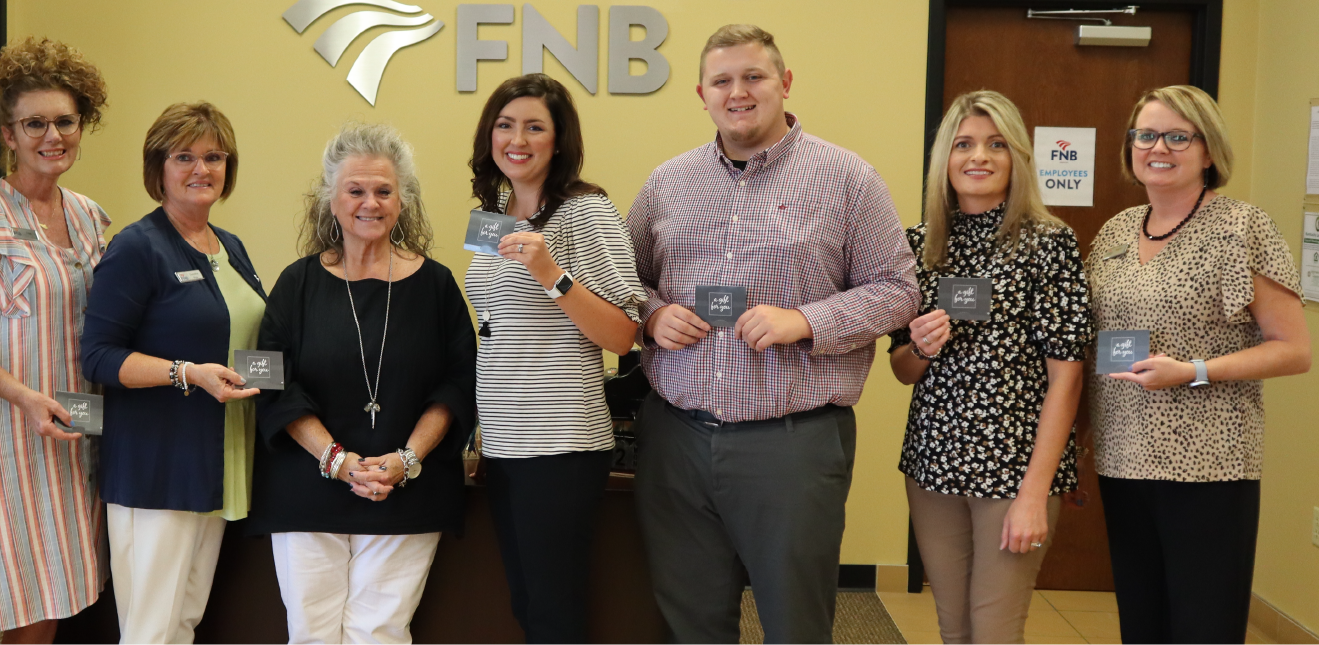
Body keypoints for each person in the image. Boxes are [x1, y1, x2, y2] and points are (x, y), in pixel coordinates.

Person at [626, 24, 919, 644]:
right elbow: (627, 284)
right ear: (700, 93)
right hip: (677, 436)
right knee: (691, 620)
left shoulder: (848, 179)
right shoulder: (666, 184)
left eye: (754, 77)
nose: (739, 92)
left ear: (784, 84)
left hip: (792, 445)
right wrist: (653, 316)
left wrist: (808, 320)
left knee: (794, 624)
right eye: (723, 80)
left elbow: (898, 290)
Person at [1086, 85, 1310, 644]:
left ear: (1208, 151)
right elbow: (1097, 344)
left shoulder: (1241, 228)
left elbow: (1293, 349)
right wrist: (1080, 436)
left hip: (1209, 466)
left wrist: (1194, 370)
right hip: (1123, 457)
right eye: (1145, 134)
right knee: (1143, 625)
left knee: (1202, 627)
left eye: (1177, 136)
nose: (1157, 147)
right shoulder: (1116, 229)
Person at [250, 122, 475, 645]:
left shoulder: (437, 285)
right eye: (355, 190)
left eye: (383, 190)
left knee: (381, 634)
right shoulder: (296, 282)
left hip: (406, 490)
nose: (369, 203)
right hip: (307, 487)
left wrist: (407, 460)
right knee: (310, 633)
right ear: (332, 199)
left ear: (403, 201)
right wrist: (335, 460)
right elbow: (269, 379)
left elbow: (458, 383)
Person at [886, 90, 1091, 645]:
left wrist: (1034, 491)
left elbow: (1066, 377)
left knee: (995, 631)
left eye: (996, 144)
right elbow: (903, 371)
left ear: (1017, 156)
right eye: (964, 144)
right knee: (955, 629)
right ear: (944, 160)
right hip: (933, 465)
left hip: (1014, 468)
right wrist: (923, 348)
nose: (979, 157)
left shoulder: (1048, 244)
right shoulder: (919, 246)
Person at [0, 37, 111, 645]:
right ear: (9, 134)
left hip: (69, 439)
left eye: (65, 121)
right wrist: (25, 396)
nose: (52, 135)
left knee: (48, 593)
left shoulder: (91, 217)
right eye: (34, 123)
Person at [464, 73, 647, 644]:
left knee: (554, 610)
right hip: (503, 438)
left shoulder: (585, 212)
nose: (517, 139)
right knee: (526, 600)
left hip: (559, 441)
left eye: (534, 127)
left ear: (559, 141)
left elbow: (624, 334)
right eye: (505, 125)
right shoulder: (493, 212)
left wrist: (552, 275)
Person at [80, 102, 263, 644]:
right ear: (158, 167)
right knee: (151, 630)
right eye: (184, 156)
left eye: (214, 156)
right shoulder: (137, 248)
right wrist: (187, 373)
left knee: (184, 618)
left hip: (217, 461)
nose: (201, 169)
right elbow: (100, 356)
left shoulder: (229, 247)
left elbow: (244, 339)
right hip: (157, 468)